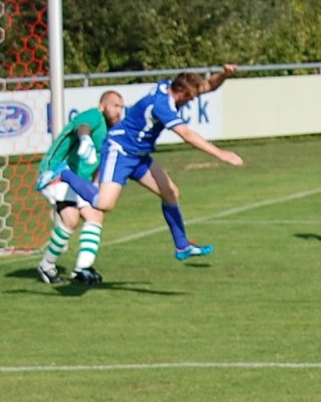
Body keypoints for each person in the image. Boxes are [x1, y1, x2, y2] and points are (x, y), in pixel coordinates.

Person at [89, 65, 244, 279]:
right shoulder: (161, 105)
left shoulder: (169, 87)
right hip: (121, 150)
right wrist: (220, 153)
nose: (190, 102)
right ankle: (64, 176)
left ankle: (182, 246)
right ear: (182, 94)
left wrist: (224, 75)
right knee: (105, 204)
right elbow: (186, 134)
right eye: (190, 98)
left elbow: (207, 86)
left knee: (170, 192)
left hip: (139, 155)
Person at [33, 91, 125, 284]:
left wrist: (97, 185)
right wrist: (85, 139)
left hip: (79, 180)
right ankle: (50, 266)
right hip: (56, 171)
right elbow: (82, 127)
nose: (119, 111)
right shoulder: (94, 115)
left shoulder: (111, 132)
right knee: (74, 219)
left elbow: (101, 163)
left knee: (91, 216)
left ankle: (79, 268)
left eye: (121, 107)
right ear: (102, 106)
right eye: (115, 105)